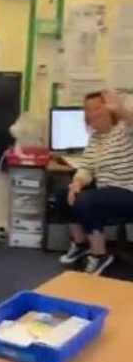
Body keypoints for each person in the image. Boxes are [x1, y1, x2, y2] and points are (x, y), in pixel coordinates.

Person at [59, 90, 133, 275]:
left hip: (128, 191)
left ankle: (99, 255)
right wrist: (77, 182)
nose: (92, 114)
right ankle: (80, 244)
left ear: (109, 109)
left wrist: (121, 109)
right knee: (64, 194)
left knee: (87, 201)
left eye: (97, 108)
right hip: (107, 192)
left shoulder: (124, 129)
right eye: (87, 110)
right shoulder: (95, 139)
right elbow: (86, 167)